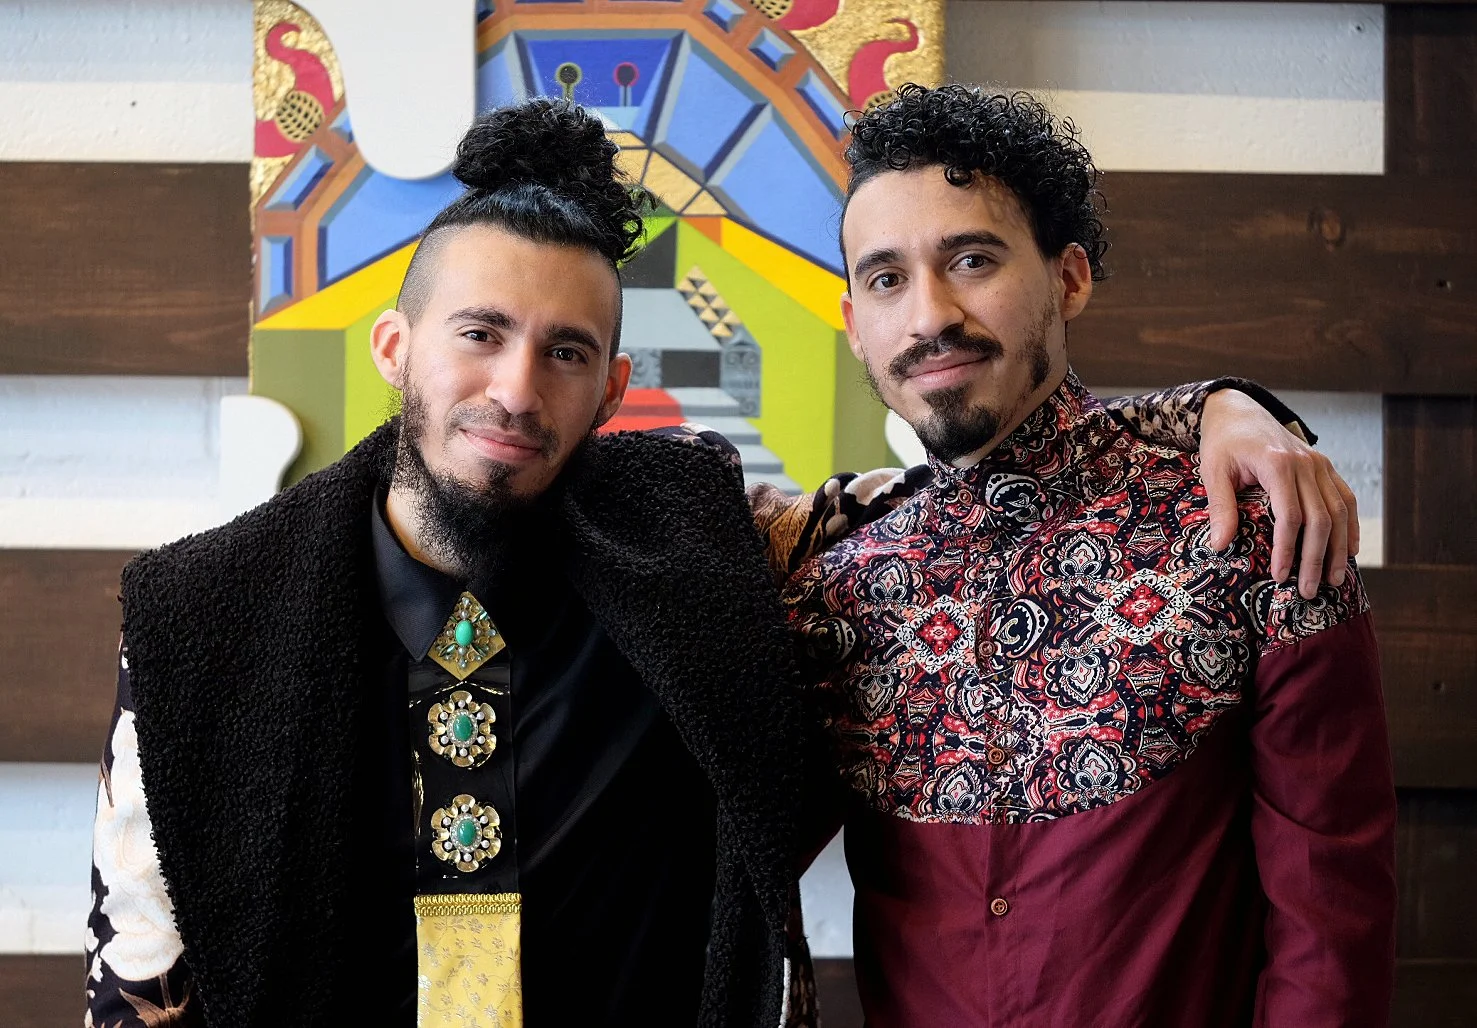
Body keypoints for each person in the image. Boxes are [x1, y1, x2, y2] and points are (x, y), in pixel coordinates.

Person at [86, 97, 1363, 1028]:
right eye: (479, 332)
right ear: (393, 346)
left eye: (566, 351)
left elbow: (968, 496)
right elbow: (142, 953)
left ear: (612, 391)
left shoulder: (696, 556)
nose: (516, 387)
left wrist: (1215, 407)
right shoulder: (213, 617)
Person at [779, 84, 1396, 1027]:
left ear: (1068, 279)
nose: (928, 315)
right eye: (886, 279)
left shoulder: (1250, 528)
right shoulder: (834, 592)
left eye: (971, 260)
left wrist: (1219, 403)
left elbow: (1331, 921)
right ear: (854, 321)